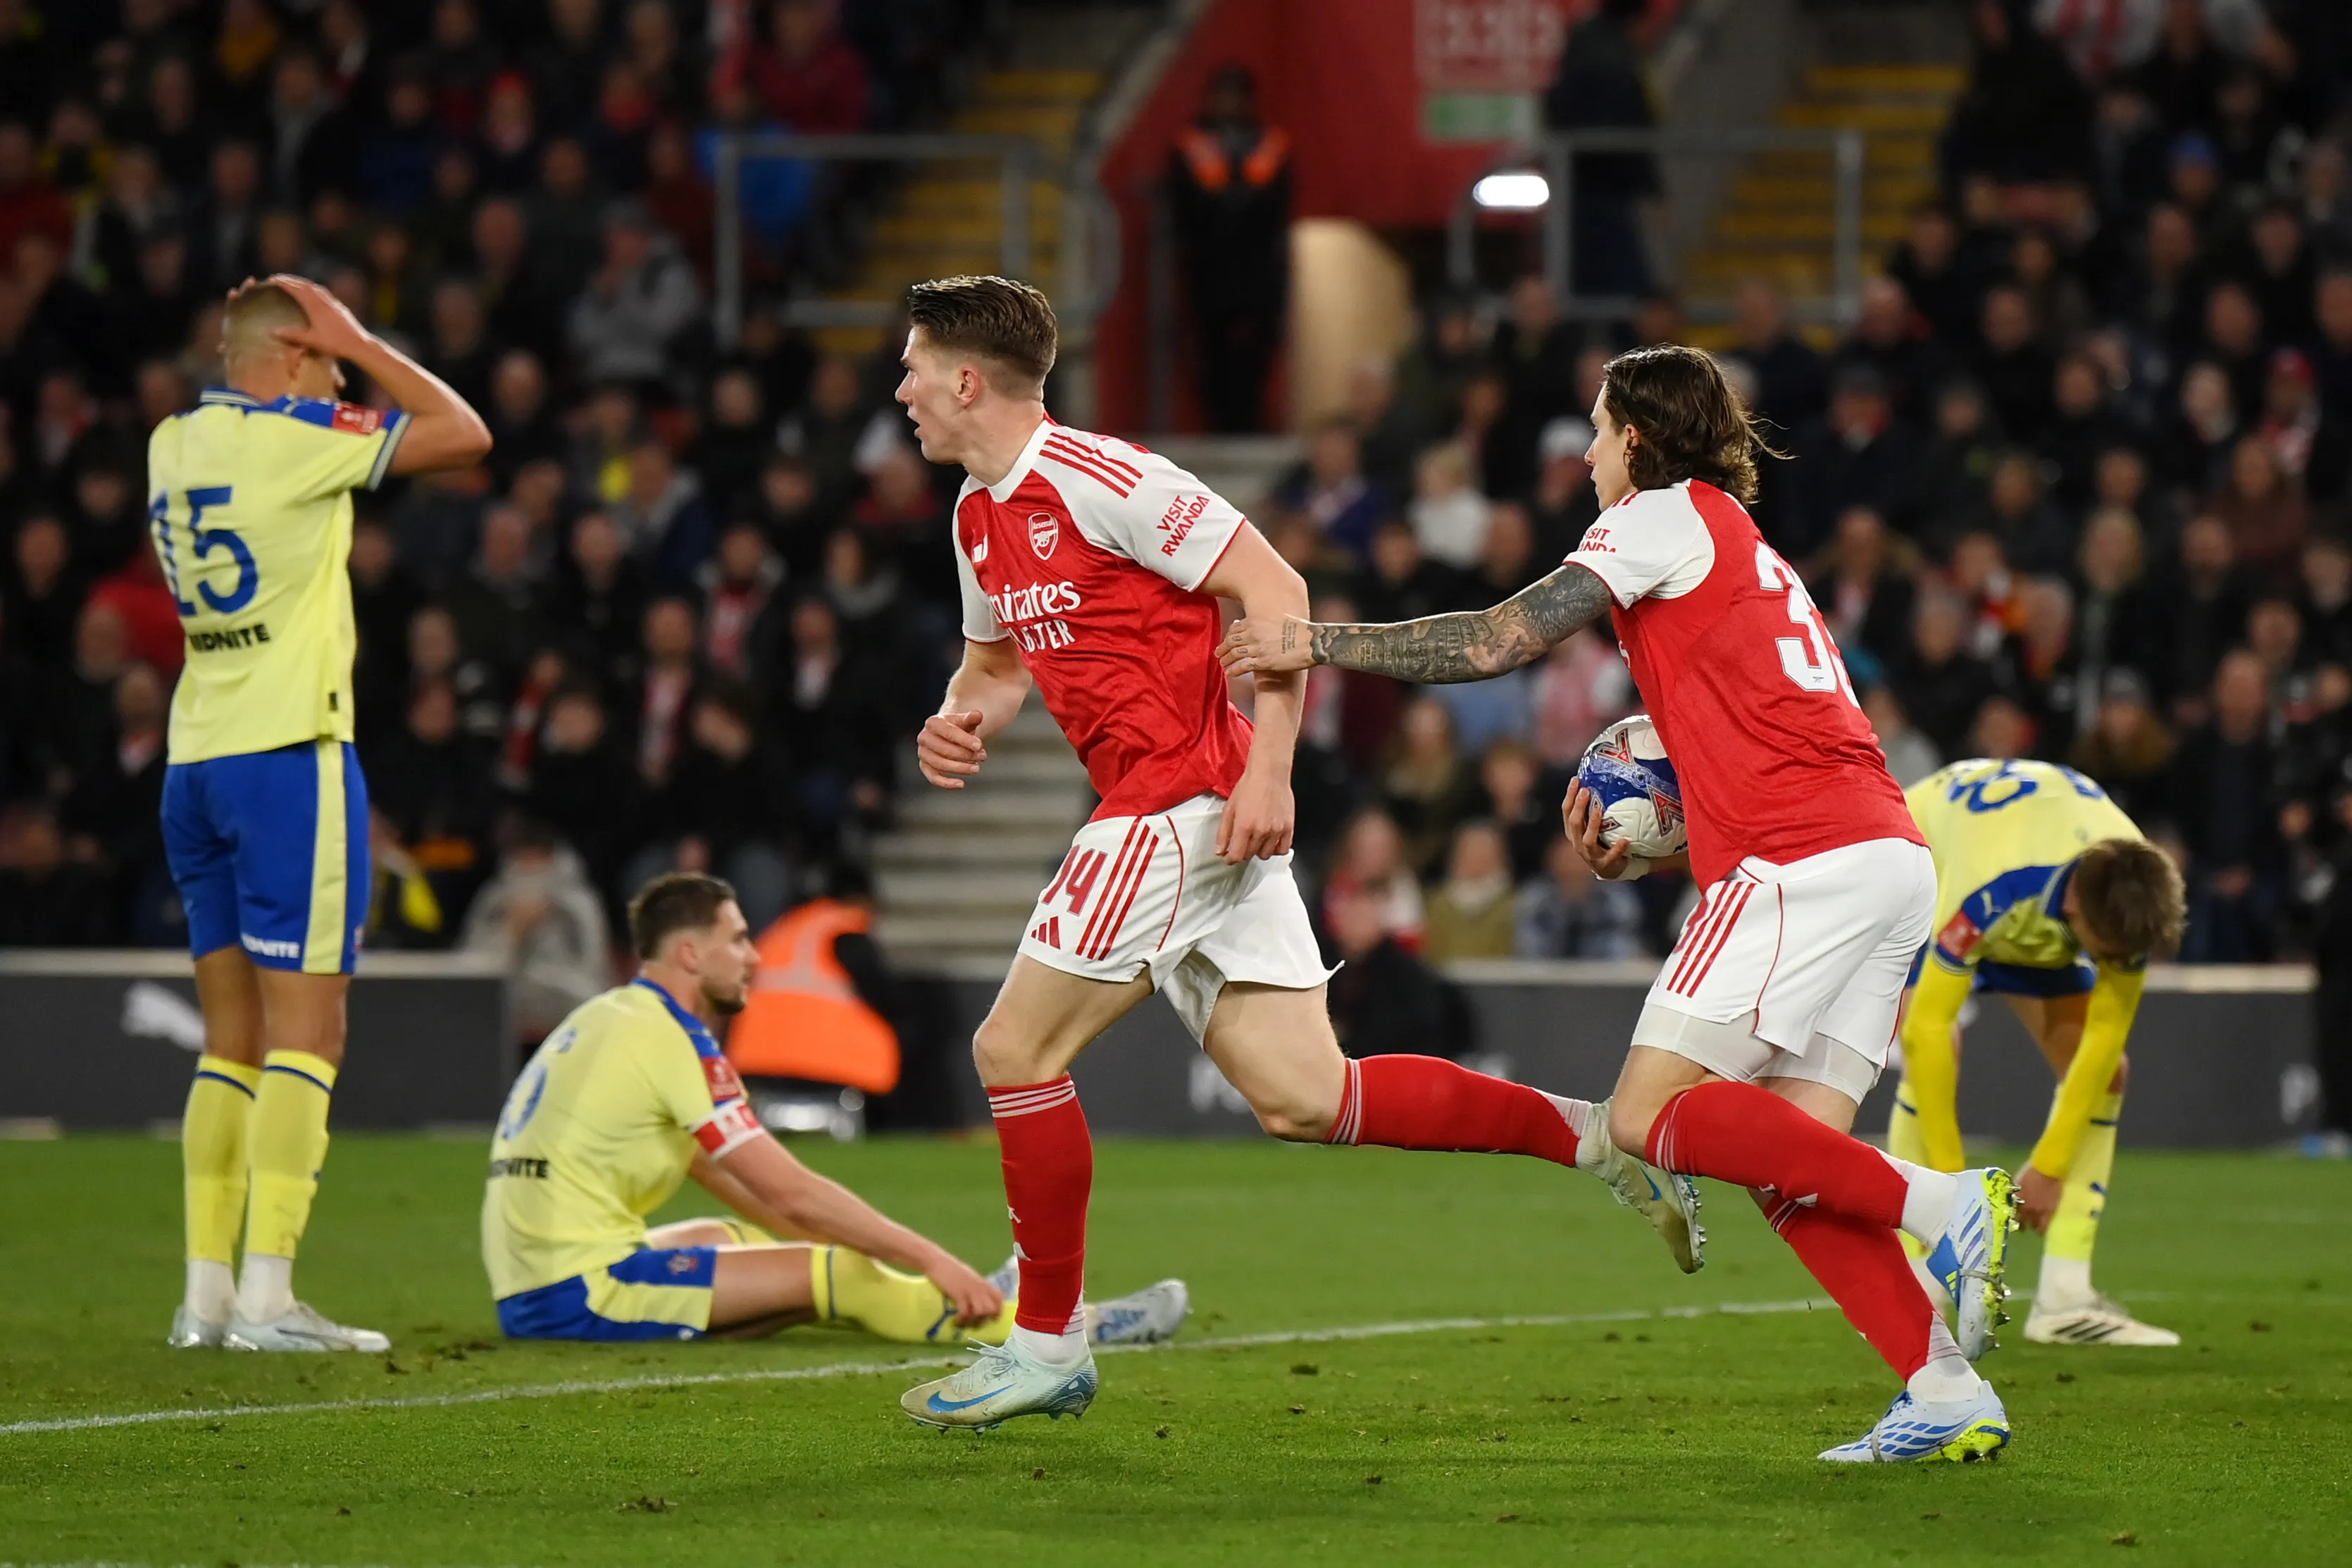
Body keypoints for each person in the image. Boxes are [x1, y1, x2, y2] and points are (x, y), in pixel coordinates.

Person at [890, 275, 1695, 1433]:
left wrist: (1267, 769)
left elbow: (1274, 591)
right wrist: (959, 714)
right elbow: (998, 666)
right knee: (1305, 1098)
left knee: (1012, 1046)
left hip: (1185, 797)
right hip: (1178, 807)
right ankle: (1592, 1134)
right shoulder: (977, 516)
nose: (902, 388)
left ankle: (1047, 1340)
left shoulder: (1106, 480)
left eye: (914, 366)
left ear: (969, 379)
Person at [1221, 343, 2020, 1464]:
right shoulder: (1736, 544)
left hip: (1799, 860)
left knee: (1647, 1119)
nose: (1589, 453)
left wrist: (1312, 642)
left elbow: (1493, 639)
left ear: (1636, 439)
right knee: (1782, 1160)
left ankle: (1938, 1205)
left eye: (1597, 432)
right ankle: (1942, 1389)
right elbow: (1765, 730)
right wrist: (1663, 839)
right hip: (1880, 850)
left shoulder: (1656, 515)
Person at [155, 273, 491, 1352]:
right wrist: (366, 342)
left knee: (229, 1041)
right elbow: (463, 433)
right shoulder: (297, 434)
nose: (343, 376)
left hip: (194, 754)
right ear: (295, 357)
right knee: (312, 1031)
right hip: (287, 756)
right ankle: (268, 1296)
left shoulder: (170, 443)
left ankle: (204, 1297)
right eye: (331, 360)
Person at [484, 872, 1188, 1348]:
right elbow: (791, 1189)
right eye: (737, 940)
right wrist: (932, 1259)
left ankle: (964, 1295)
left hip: (535, 1276)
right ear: (692, 953)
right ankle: (1056, 1326)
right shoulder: (674, 1040)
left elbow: (750, 1192)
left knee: (734, 1235)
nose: (755, 958)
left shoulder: (615, 1018)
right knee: (840, 1276)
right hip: (574, 1293)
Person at [1891, 759, 2187, 1348]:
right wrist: (1959, 1195)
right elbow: (1925, 1031)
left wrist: (2049, 1167)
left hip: (2030, 909)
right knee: (1934, 1043)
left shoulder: (2130, 881)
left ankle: (2063, 1298)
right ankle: (1916, 1271)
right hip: (1919, 861)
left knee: (2108, 1077)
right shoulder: (1991, 883)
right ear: (2076, 910)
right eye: (2104, 955)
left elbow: (2103, 1042)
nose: (2113, 968)